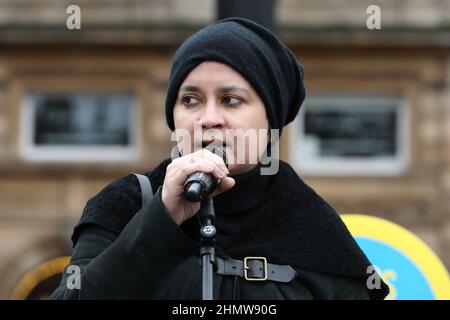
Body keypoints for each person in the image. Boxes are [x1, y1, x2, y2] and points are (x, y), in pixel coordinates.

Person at [50, 17, 389, 300]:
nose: (208, 118)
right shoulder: (127, 203)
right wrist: (158, 221)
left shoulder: (315, 229)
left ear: (270, 118)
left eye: (230, 100)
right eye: (191, 100)